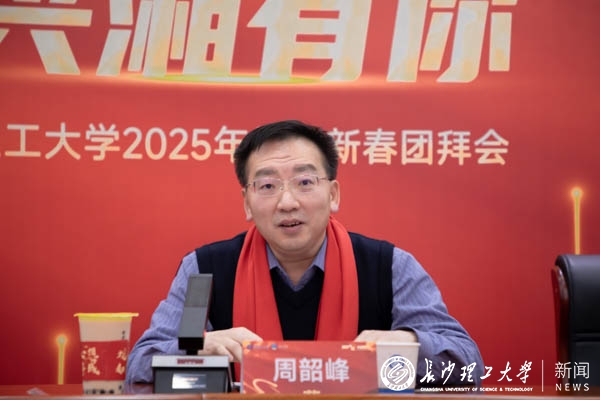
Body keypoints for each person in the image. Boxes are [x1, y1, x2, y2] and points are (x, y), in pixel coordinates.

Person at [125, 120, 484, 386]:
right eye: (267, 185)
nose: (287, 202)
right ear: (247, 202)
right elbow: (140, 364)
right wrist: (196, 349)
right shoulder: (205, 269)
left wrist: (409, 343)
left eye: (305, 182)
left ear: (333, 194)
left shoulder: (389, 266)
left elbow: (468, 366)